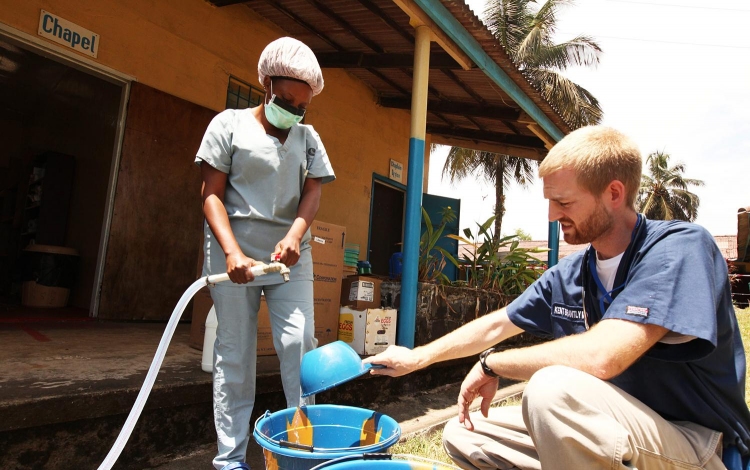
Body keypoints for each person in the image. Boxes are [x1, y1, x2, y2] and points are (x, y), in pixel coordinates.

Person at [365, 126, 750, 470]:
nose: (552, 215)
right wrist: (417, 358)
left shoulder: (678, 249)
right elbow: (498, 323)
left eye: (564, 203)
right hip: (616, 431)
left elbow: (602, 356)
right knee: (465, 434)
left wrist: (492, 365)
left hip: (695, 444)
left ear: (613, 193)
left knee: (551, 391)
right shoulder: (574, 272)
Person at [195, 37, 334, 470]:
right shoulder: (228, 125)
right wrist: (233, 253)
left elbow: (312, 192)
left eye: (301, 106)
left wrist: (296, 234)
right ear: (265, 83)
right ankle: (231, 458)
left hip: (290, 256)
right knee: (235, 352)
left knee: (299, 344)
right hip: (233, 254)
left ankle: (301, 449)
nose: (291, 112)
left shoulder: (308, 139)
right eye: (284, 100)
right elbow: (211, 196)